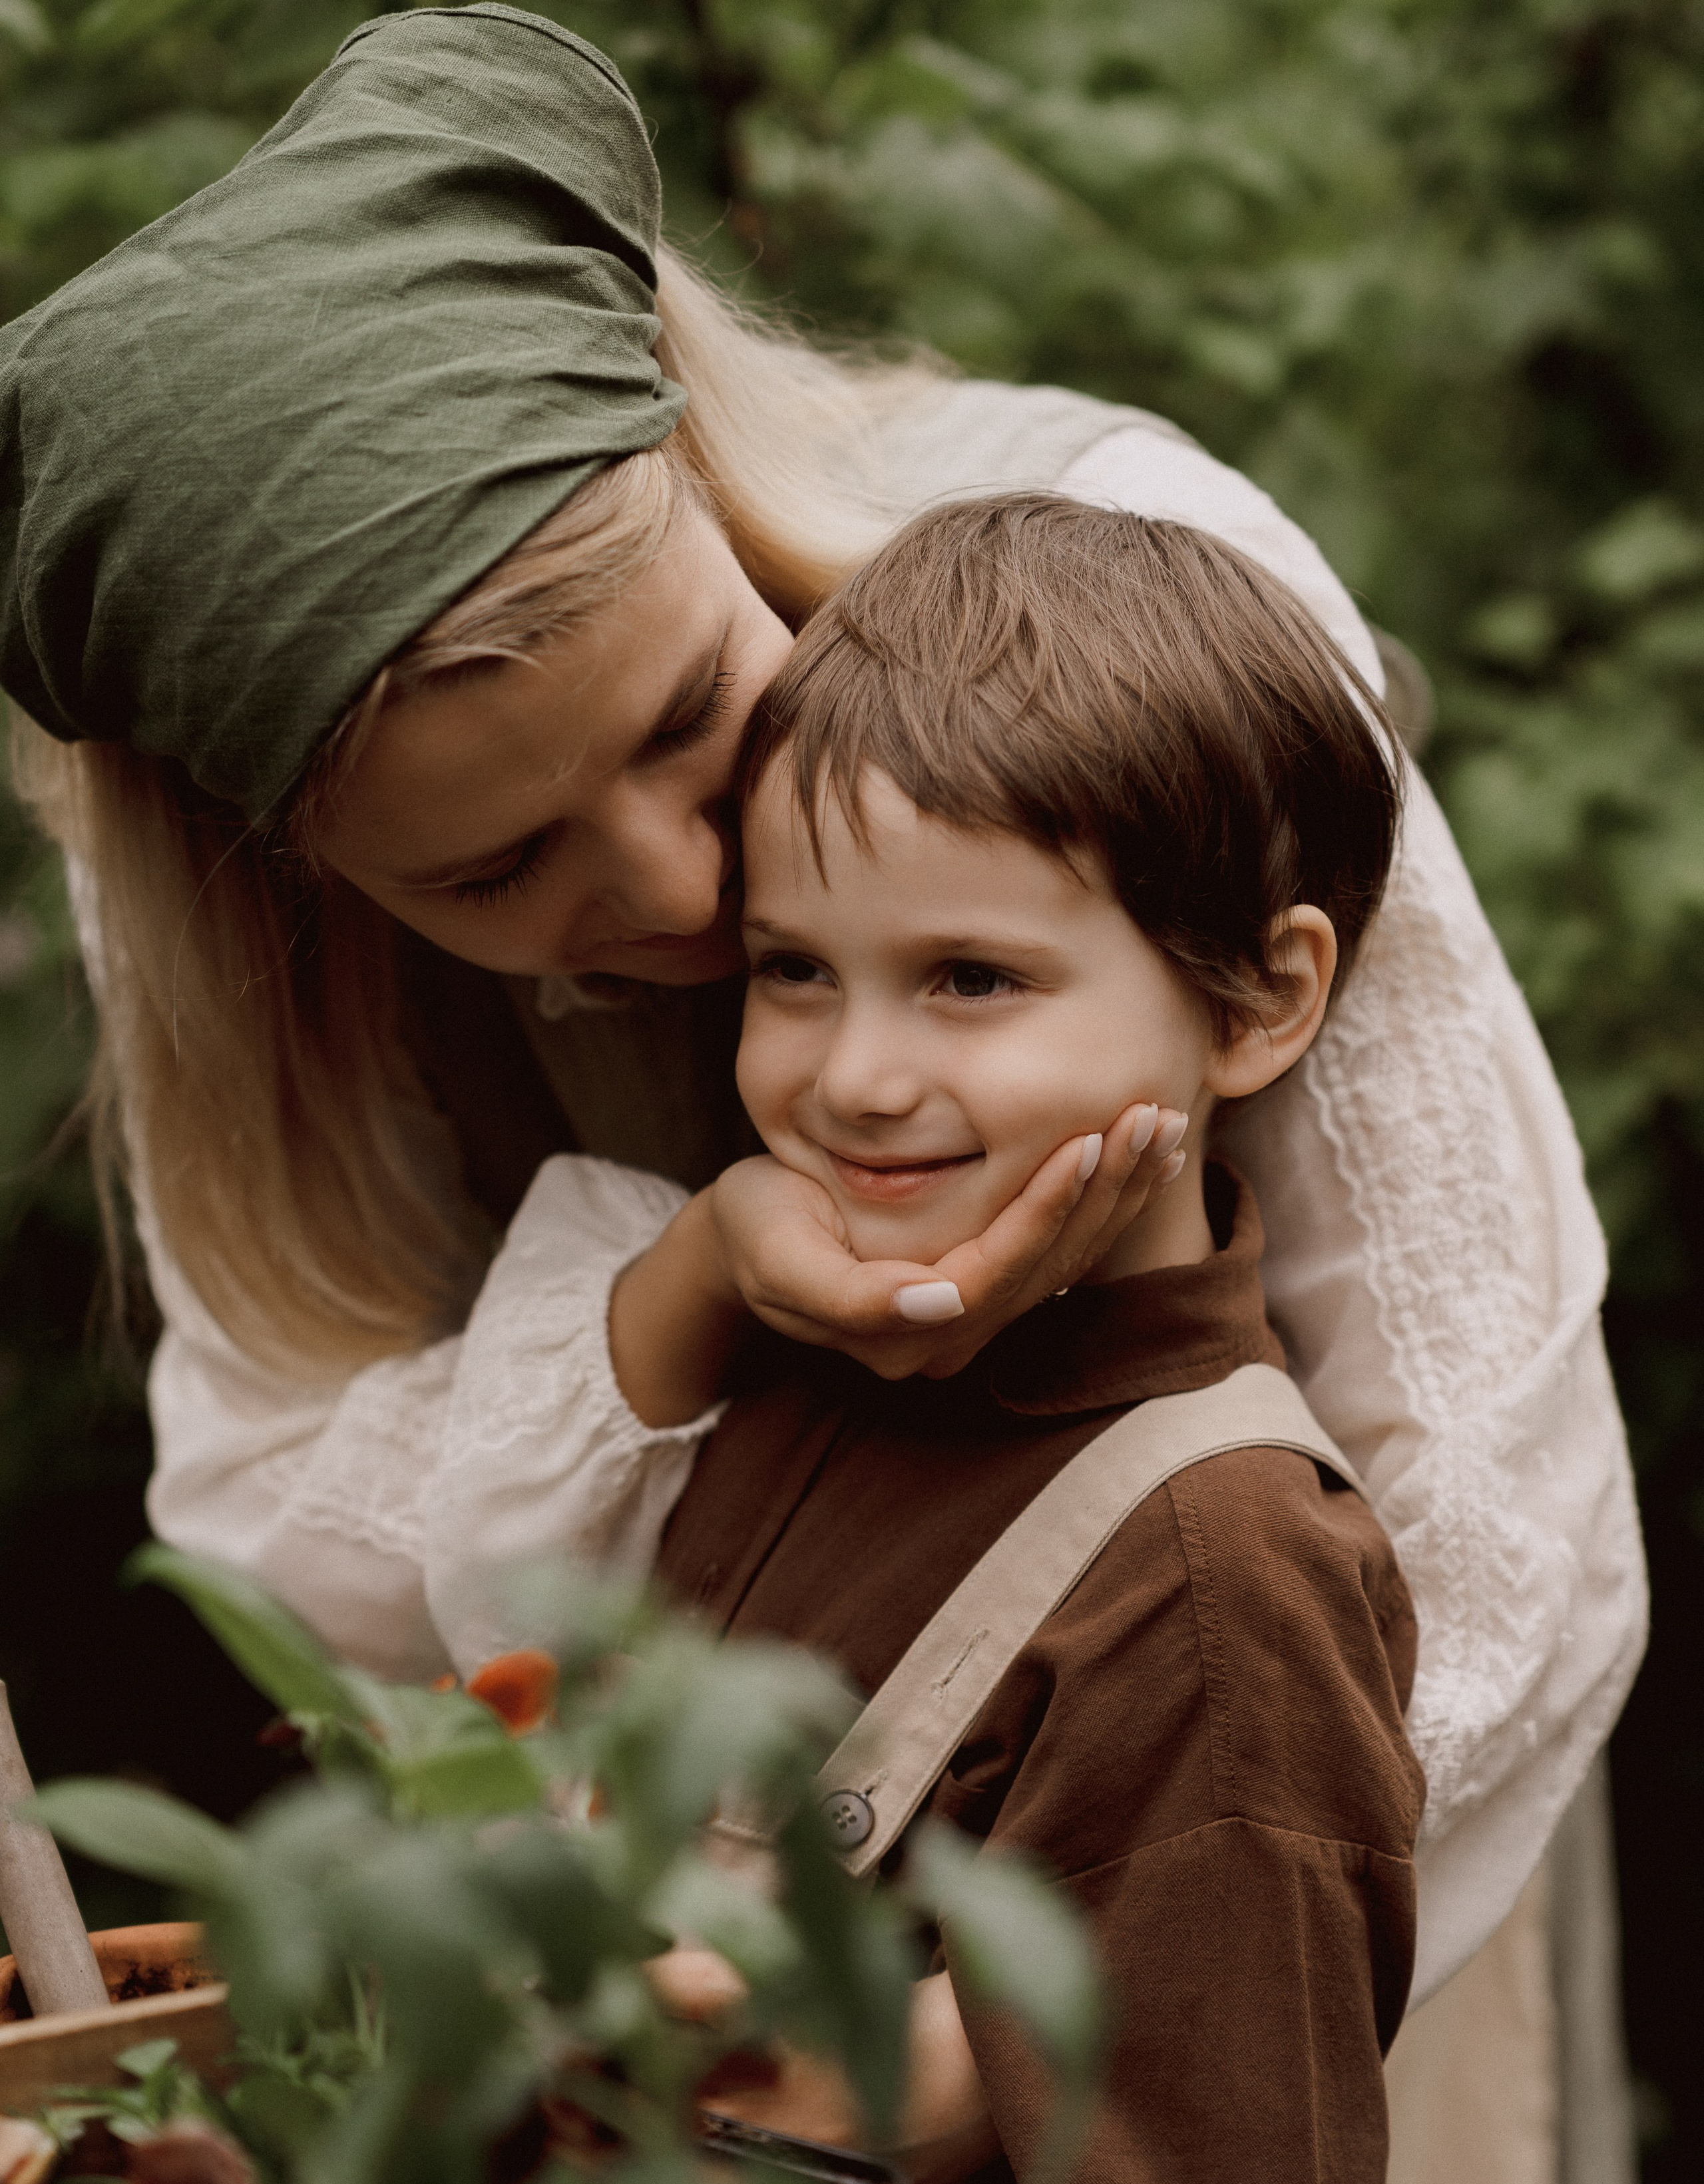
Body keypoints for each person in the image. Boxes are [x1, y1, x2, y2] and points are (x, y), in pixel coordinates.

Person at [0, 5, 1642, 2012]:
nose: (690, 893)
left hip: (1293, 1867)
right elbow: (288, 1543)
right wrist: (670, 1302)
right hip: (703, 1978)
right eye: (492, 876)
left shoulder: (1141, 611)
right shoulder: (218, 886)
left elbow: (1493, 1499)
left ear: (705, 476)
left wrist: (1014, 2002)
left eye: (696, 713)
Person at [636, 492, 1424, 2184]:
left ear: (1261, 1002)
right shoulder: (817, 1353)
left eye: (971, 977)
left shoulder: (1222, 1572)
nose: (853, 1077)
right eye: (794, 971)